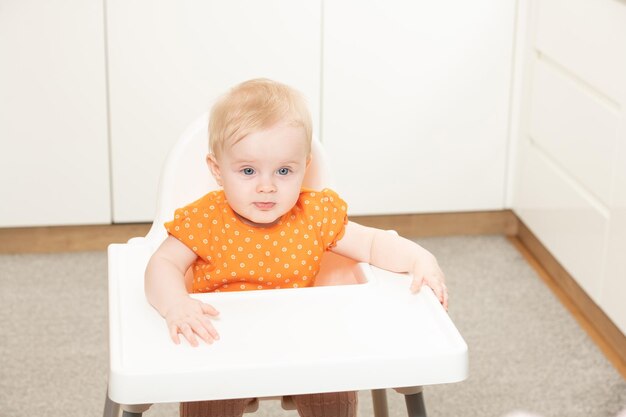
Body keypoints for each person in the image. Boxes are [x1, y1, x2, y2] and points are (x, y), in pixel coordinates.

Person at [145, 78, 448, 417]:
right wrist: (176, 305)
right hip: (223, 343)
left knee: (335, 375)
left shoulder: (314, 216)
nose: (266, 186)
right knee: (206, 391)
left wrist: (419, 257)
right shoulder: (206, 220)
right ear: (217, 170)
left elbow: (373, 244)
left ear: (304, 167)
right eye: (247, 170)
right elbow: (163, 264)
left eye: (284, 171)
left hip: (303, 345)